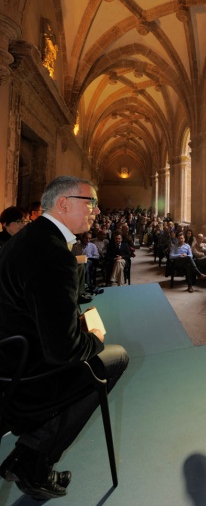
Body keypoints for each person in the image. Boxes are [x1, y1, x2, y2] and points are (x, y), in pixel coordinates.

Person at [0, 176, 129, 499]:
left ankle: (27, 455)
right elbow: (63, 351)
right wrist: (95, 336)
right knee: (114, 359)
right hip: (25, 379)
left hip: (10, 357)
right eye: (91, 202)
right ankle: (34, 459)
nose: (97, 211)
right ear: (63, 204)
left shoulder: (29, 237)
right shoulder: (52, 254)